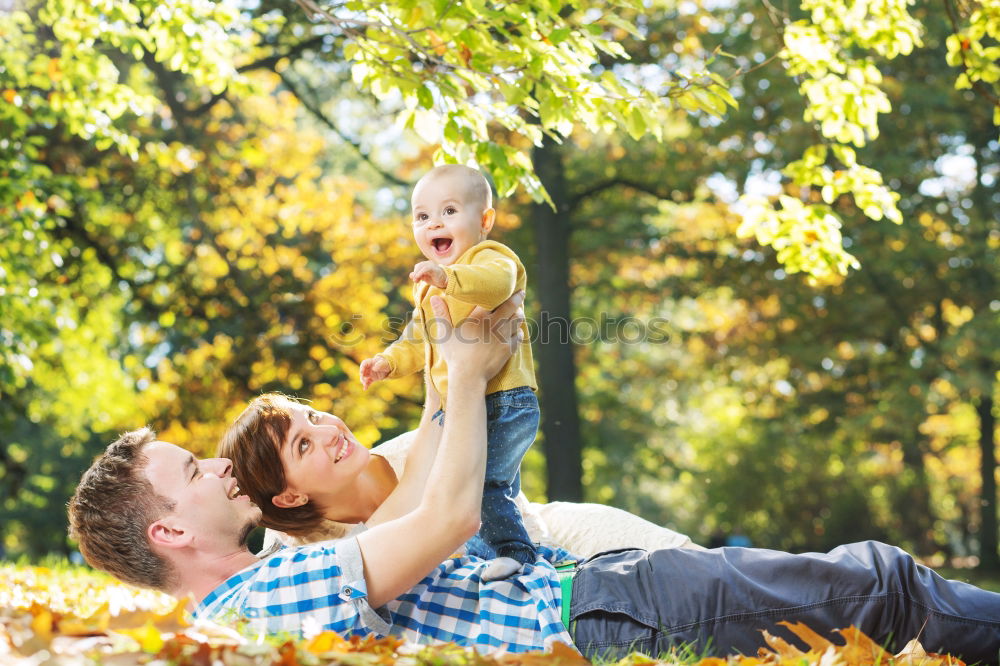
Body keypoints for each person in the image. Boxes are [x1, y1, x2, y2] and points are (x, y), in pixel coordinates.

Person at [69, 293, 1000, 663]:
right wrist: (468, 374)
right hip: (601, 613)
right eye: (193, 472)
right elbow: (444, 518)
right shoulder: (257, 600)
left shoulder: (249, 609)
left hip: (597, 598)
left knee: (873, 590)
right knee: (878, 582)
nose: (218, 468)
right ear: (168, 532)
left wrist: (454, 351)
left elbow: (436, 492)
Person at [359, 164, 540, 577]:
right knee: (491, 485)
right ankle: (494, 554)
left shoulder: (490, 257)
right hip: (461, 407)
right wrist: (388, 362)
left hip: (502, 399)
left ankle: (514, 556)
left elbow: (494, 284)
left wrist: (448, 277)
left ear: (485, 221)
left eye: (450, 211)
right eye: (422, 217)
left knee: (476, 485)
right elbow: (416, 338)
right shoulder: (427, 287)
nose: (434, 223)